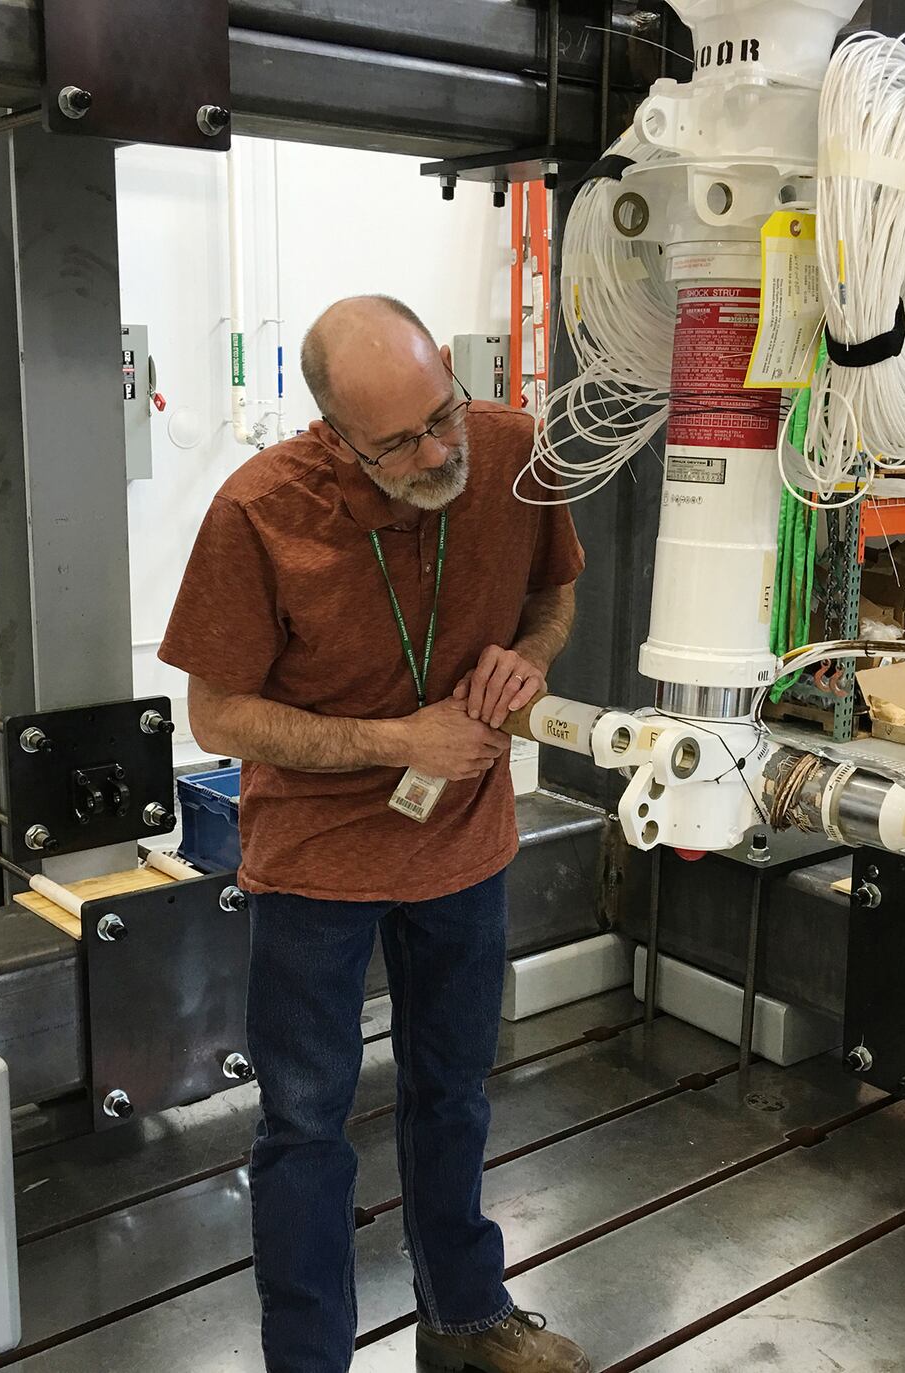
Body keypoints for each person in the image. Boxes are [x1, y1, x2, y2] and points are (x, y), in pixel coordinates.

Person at [159, 296, 589, 1373]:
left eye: (442, 412)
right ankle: (309, 1360)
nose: (438, 449)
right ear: (334, 431)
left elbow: (555, 592)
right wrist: (397, 738)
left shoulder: (512, 451)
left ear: (448, 367)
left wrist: (528, 660)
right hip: (315, 862)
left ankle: (464, 1310)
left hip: (466, 846)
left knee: (454, 1087)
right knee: (305, 1125)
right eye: (398, 441)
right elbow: (217, 715)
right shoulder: (259, 510)